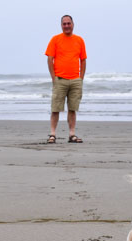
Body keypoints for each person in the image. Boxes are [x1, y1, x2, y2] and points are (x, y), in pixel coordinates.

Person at [45, 15, 87, 144]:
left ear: (73, 24)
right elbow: (50, 59)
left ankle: (72, 134)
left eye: (69, 23)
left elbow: (83, 60)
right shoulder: (55, 39)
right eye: (64, 24)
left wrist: (81, 78)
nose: (67, 26)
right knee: (55, 108)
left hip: (75, 80)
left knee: (73, 109)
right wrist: (54, 78)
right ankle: (52, 134)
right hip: (60, 79)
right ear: (61, 25)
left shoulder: (79, 40)